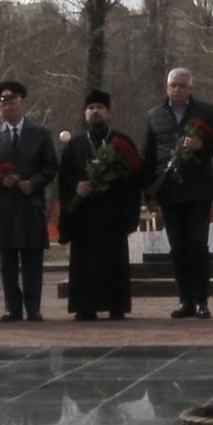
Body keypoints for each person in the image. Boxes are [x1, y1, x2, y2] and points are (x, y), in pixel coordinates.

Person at [144, 68, 213, 319]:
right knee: (178, 247)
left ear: (191, 89)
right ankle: (185, 300)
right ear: (166, 87)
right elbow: (148, 155)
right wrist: (149, 192)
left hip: (198, 191)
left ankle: (201, 299)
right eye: (173, 85)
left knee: (197, 245)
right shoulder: (155, 115)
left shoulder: (205, 111)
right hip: (169, 192)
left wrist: (201, 146)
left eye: (183, 86)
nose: (177, 90)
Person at [58, 90, 145, 320]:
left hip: (112, 214)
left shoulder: (122, 142)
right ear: (85, 114)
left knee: (113, 260)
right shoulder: (74, 145)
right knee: (84, 262)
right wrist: (77, 187)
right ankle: (85, 306)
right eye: (91, 108)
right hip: (84, 216)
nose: (95, 111)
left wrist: (115, 178)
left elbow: (136, 175)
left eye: (100, 108)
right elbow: (64, 177)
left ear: (108, 113)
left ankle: (116, 305)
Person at [0, 80, 58, 321]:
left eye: (12, 101)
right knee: (7, 261)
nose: (7, 107)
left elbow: (50, 166)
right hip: (5, 204)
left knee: (32, 259)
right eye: (2, 103)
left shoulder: (40, 134)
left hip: (30, 203)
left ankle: (33, 307)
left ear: (21, 103)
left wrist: (33, 182)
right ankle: (11, 307)